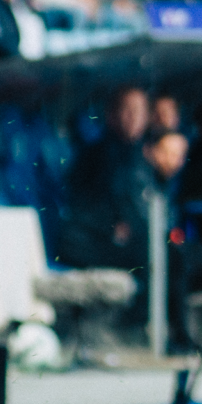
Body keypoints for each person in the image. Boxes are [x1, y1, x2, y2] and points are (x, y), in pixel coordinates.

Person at [59, 87, 154, 270]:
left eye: (139, 111)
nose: (133, 117)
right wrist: (111, 226)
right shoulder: (95, 155)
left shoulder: (144, 157)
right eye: (127, 109)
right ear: (111, 114)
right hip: (96, 243)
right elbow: (79, 204)